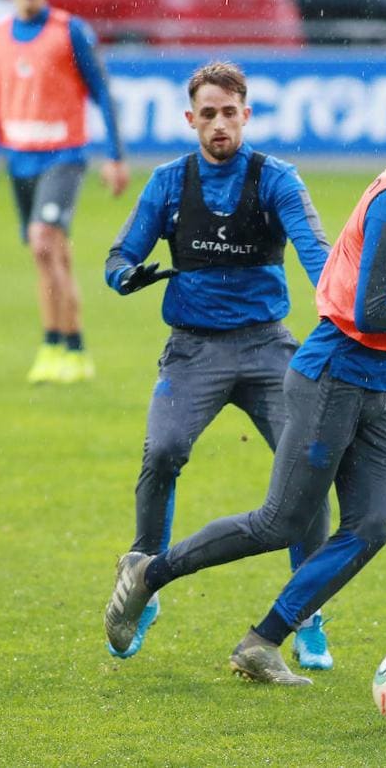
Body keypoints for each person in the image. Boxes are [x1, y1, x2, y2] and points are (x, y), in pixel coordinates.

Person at [104, 75, 386, 685]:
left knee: (371, 526)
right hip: (330, 372)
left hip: (379, 377)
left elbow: (326, 253)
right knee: (276, 519)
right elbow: (370, 310)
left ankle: (266, 639)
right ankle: (148, 573)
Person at [102, 62, 335, 666]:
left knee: (308, 473)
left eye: (230, 112)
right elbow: (119, 255)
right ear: (191, 120)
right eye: (208, 114)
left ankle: (307, 614)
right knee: (162, 452)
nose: (219, 124)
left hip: (267, 347)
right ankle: (143, 578)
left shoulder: (278, 180)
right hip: (193, 349)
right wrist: (127, 276)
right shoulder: (167, 182)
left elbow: (321, 258)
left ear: (246, 115)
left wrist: (339, 306)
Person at [0, 0, 129, 384]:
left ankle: (54, 344)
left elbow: (102, 90)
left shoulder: (70, 31)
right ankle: (74, 350)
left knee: (42, 241)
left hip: (64, 156)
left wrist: (115, 156)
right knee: (52, 256)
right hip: (19, 161)